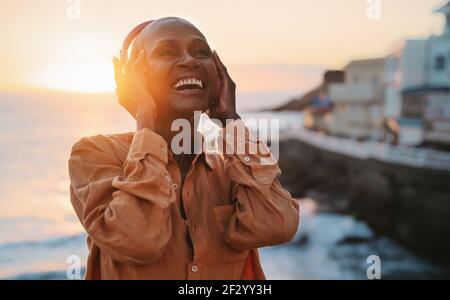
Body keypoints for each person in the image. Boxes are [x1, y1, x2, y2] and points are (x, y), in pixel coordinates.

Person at [68, 17, 300, 280]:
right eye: (166, 52)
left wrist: (230, 120)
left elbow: (276, 227)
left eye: (201, 52)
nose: (190, 61)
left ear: (218, 74)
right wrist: (145, 117)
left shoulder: (228, 168)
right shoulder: (94, 155)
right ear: (133, 78)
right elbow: (138, 241)